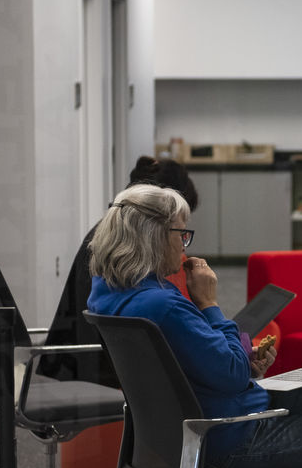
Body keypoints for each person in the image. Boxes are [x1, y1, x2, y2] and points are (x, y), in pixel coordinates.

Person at [86, 184, 302, 468]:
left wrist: (242, 358)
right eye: (180, 233)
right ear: (154, 236)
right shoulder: (163, 305)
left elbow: (202, 361)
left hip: (194, 431)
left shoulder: (110, 293)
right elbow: (231, 374)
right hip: (230, 440)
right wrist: (209, 303)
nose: (184, 243)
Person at [39, 156, 199, 386]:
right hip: (104, 375)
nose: (181, 243)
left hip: (82, 366)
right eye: (178, 231)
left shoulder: (106, 240)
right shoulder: (127, 264)